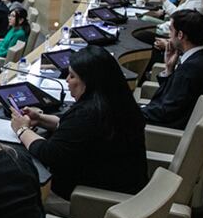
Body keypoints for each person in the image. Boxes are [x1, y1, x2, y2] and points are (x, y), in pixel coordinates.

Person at [10, 45, 148, 206]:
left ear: (89, 82)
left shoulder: (88, 114)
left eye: (72, 76)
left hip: (92, 202)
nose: (67, 80)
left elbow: (50, 154)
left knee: (20, 198)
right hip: (124, 189)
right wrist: (40, 119)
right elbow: (77, 130)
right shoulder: (115, 100)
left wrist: (21, 129)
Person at [142, 11, 203, 129]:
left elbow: (166, 112)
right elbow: (174, 97)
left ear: (180, 35)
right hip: (168, 116)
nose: (169, 35)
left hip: (164, 127)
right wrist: (169, 69)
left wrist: (134, 111)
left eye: (171, 30)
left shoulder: (190, 70)